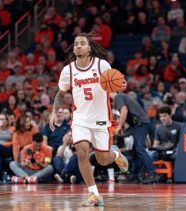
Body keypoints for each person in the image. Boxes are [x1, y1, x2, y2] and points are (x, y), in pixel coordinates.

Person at [50, 33, 128, 207]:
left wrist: (121, 85)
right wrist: (54, 112)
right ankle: (94, 194)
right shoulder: (68, 70)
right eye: (76, 43)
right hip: (80, 119)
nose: (78, 46)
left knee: (102, 159)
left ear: (89, 47)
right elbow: (60, 94)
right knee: (82, 151)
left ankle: (116, 154)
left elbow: (117, 84)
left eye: (82, 43)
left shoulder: (101, 65)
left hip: (101, 119)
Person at [111, 92, 159, 184]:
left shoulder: (118, 97)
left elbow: (124, 111)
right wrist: (124, 132)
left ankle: (152, 174)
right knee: (135, 151)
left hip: (141, 124)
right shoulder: (123, 97)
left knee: (140, 149)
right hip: (139, 125)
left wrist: (119, 126)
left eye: (112, 106)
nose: (114, 108)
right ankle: (134, 176)